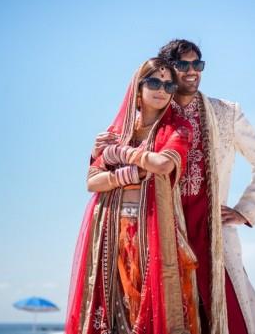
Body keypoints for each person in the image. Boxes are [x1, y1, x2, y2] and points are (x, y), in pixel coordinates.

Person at [66, 58, 200, 334]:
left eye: (168, 84)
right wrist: (131, 174)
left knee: (150, 305)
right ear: (137, 89)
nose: (161, 89)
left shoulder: (178, 129)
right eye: (153, 82)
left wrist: (120, 154)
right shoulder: (116, 132)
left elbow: (163, 165)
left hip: (154, 230)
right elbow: (92, 182)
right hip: (111, 229)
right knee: (116, 304)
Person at [157, 39, 255, 334]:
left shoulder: (226, 112)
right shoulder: (156, 114)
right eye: (183, 64)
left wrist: (244, 211)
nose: (192, 71)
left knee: (228, 317)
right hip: (165, 231)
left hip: (212, 231)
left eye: (197, 64)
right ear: (168, 70)